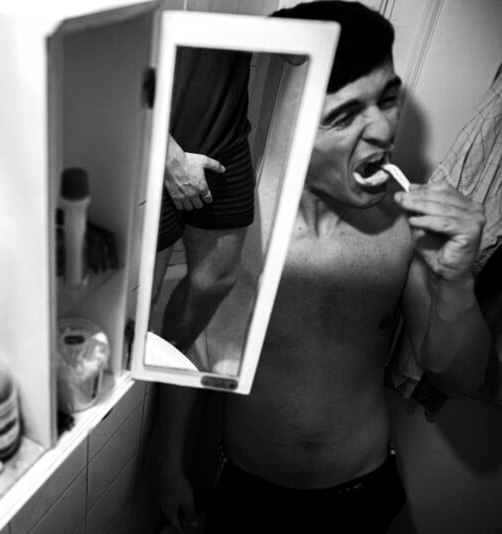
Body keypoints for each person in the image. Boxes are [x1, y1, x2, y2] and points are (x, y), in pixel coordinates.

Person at [158, 3, 490, 533]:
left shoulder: (408, 226)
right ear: (295, 122)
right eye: (343, 115)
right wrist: (170, 466)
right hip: (245, 490)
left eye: (387, 99)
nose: (382, 129)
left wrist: (457, 282)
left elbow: (461, 377)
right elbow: (182, 351)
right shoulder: (240, 228)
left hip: (362, 494)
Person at [152, 46, 256, 370]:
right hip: (148, 135)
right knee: (139, 296)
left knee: (217, 278)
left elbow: (295, 53)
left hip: (225, 130)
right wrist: (165, 151)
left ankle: (165, 363)